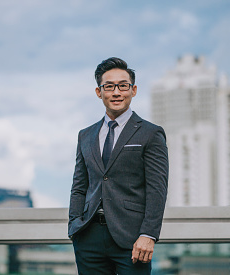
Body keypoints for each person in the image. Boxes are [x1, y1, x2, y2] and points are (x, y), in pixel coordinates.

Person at [68, 57, 169, 274]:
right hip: (88, 237)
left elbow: (157, 189)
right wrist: (74, 226)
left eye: (123, 86)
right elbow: (79, 186)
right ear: (99, 92)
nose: (116, 92)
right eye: (109, 86)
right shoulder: (85, 136)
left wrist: (149, 235)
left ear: (133, 90)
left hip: (133, 239)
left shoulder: (151, 133)